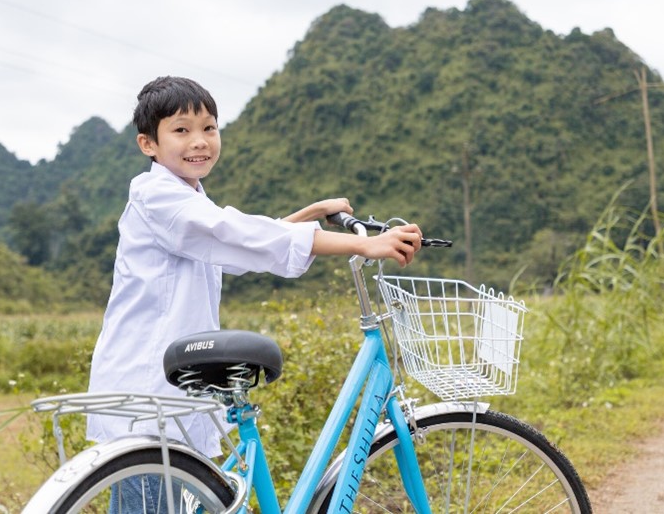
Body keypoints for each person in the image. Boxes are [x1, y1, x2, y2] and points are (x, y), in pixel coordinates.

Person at [86, 76, 422, 462]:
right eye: (182, 130)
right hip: (147, 383)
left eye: (209, 128)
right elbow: (233, 232)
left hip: (172, 383)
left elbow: (238, 244)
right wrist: (363, 243)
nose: (199, 140)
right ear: (148, 143)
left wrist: (311, 213)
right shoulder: (157, 196)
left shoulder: (186, 197)